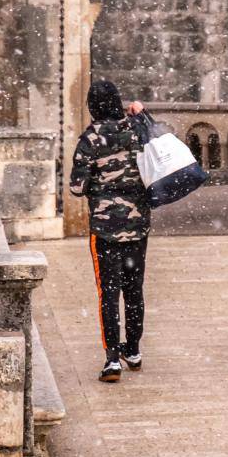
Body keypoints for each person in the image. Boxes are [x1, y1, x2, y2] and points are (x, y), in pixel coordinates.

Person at [69, 80, 152, 384]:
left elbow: (76, 188)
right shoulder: (135, 129)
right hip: (137, 225)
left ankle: (112, 359)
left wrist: (99, 186)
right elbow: (153, 146)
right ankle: (133, 350)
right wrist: (140, 113)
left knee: (109, 292)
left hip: (105, 229)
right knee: (134, 289)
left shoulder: (90, 139)